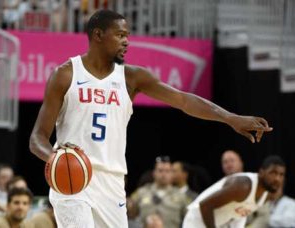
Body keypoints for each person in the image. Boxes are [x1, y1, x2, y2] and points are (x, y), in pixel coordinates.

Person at [29, 9, 273, 228]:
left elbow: (184, 101)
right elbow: (37, 137)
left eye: (128, 35)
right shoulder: (66, 74)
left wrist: (231, 118)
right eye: (120, 35)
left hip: (112, 183)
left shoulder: (132, 78)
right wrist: (55, 158)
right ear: (98, 35)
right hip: (73, 180)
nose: (127, 41)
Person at [182, 155, 286, 228]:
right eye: (273, 172)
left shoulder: (265, 195)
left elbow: (239, 216)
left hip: (216, 223)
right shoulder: (243, 185)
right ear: (261, 172)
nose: (277, 178)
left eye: (281, 175)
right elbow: (204, 206)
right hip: (196, 221)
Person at [129, 156, 189, 228]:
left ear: (172, 174)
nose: (163, 174)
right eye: (160, 170)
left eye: (167, 171)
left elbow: (189, 219)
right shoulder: (141, 192)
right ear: (154, 173)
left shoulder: (181, 195)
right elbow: (130, 215)